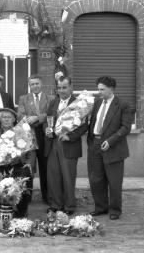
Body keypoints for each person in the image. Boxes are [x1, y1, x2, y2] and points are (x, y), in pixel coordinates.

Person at [87, 75, 134, 220]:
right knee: (96, 179)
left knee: (114, 181)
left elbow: (126, 128)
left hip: (113, 147)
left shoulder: (123, 105)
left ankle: (115, 210)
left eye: (102, 89)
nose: (99, 92)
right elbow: (93, 123)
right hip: (95, 145)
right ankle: (100, 207)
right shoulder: (96, 103)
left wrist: (111, 141)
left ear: (111, 89)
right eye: (98, 89)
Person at [44, 76, 88, 215]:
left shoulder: (79, 103)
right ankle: (55, 204)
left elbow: (84, 125)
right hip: (53, 144)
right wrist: (47, 129)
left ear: (71, 87)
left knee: (68, 177)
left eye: (64, 87)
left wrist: (70, 136)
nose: (61, 90)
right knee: (53, 176)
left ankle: (69, 206)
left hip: (69, 144)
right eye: (59, 88)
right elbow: (47, 120)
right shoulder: (53, 102)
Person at [0, 108, 35, 218]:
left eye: (9, 117)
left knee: (25, 174)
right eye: (4, 117)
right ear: (0, 119)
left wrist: (29, 163)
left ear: (14, 119)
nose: (6, 120)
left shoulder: (22, 133)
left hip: (18, 165)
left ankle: (20, 212)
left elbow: (31, 151)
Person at [17, 74, 51, 203]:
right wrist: (27, 119)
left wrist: (37, 118)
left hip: (43, 135)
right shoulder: (23, 98)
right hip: (29, 134)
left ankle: (46, 195)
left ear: (41, 84)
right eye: (32, 84)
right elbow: (20, 115)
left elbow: (50, 113)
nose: (35, 86)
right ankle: (27, 195)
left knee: (44, 165)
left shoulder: (50, 98)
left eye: (37, 83)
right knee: (28, 165)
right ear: (29, 85)